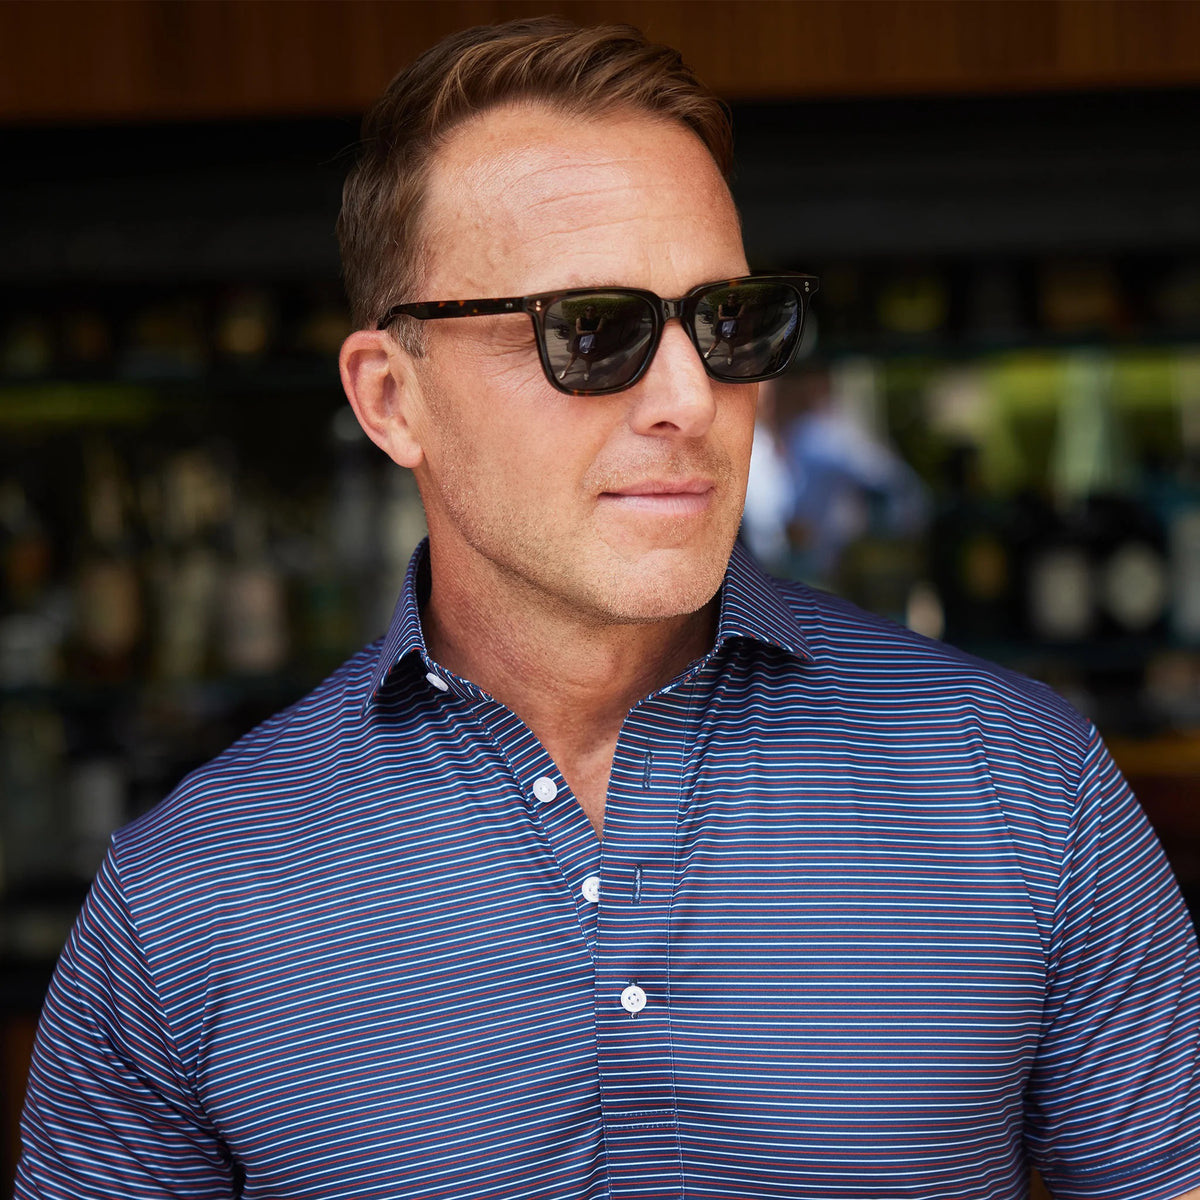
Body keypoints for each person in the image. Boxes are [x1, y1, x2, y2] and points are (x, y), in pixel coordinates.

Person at [15, 18, 1200, 1200]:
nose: (691, 395)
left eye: (727, 321)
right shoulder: (190, 895)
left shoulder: (1023, 788)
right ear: (391, 398)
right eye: (589, 329)